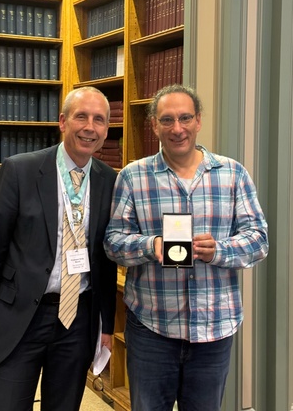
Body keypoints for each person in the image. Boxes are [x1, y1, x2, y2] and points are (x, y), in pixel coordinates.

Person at [104, 84, 268, 411]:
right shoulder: (133, 177)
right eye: (167, 120)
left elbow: (259, 239)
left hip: (214, 330)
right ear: (154, 125)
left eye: (185, 118)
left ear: (198, 121)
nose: (177, 128)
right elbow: (113, 243)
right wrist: (152, 246)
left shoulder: (233, 174)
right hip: (152, 329)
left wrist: (219, 250)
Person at [0, 86, 117, 411]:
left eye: (99, 120)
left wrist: (106, 326)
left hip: (77, 320)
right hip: (21, 316)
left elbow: (105, 262)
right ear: (63, 121)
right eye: (81, 116)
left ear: (106, 130)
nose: (90, 127)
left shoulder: (109, 180)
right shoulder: (19, 170)